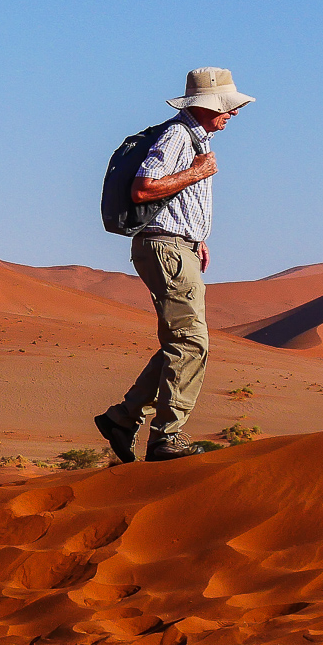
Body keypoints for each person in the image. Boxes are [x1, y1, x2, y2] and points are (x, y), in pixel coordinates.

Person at [94, 67, 253, 462]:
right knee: (191, 343)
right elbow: (144, 187)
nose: (232, 114)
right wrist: (196, 172)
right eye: (227, 107)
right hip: (166, 248)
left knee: (180, 342)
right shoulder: (179, 136)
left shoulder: (192, 137)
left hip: (178, 246)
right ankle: (167, 436)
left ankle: (124, 418)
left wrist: (196, 238)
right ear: (206, 106)